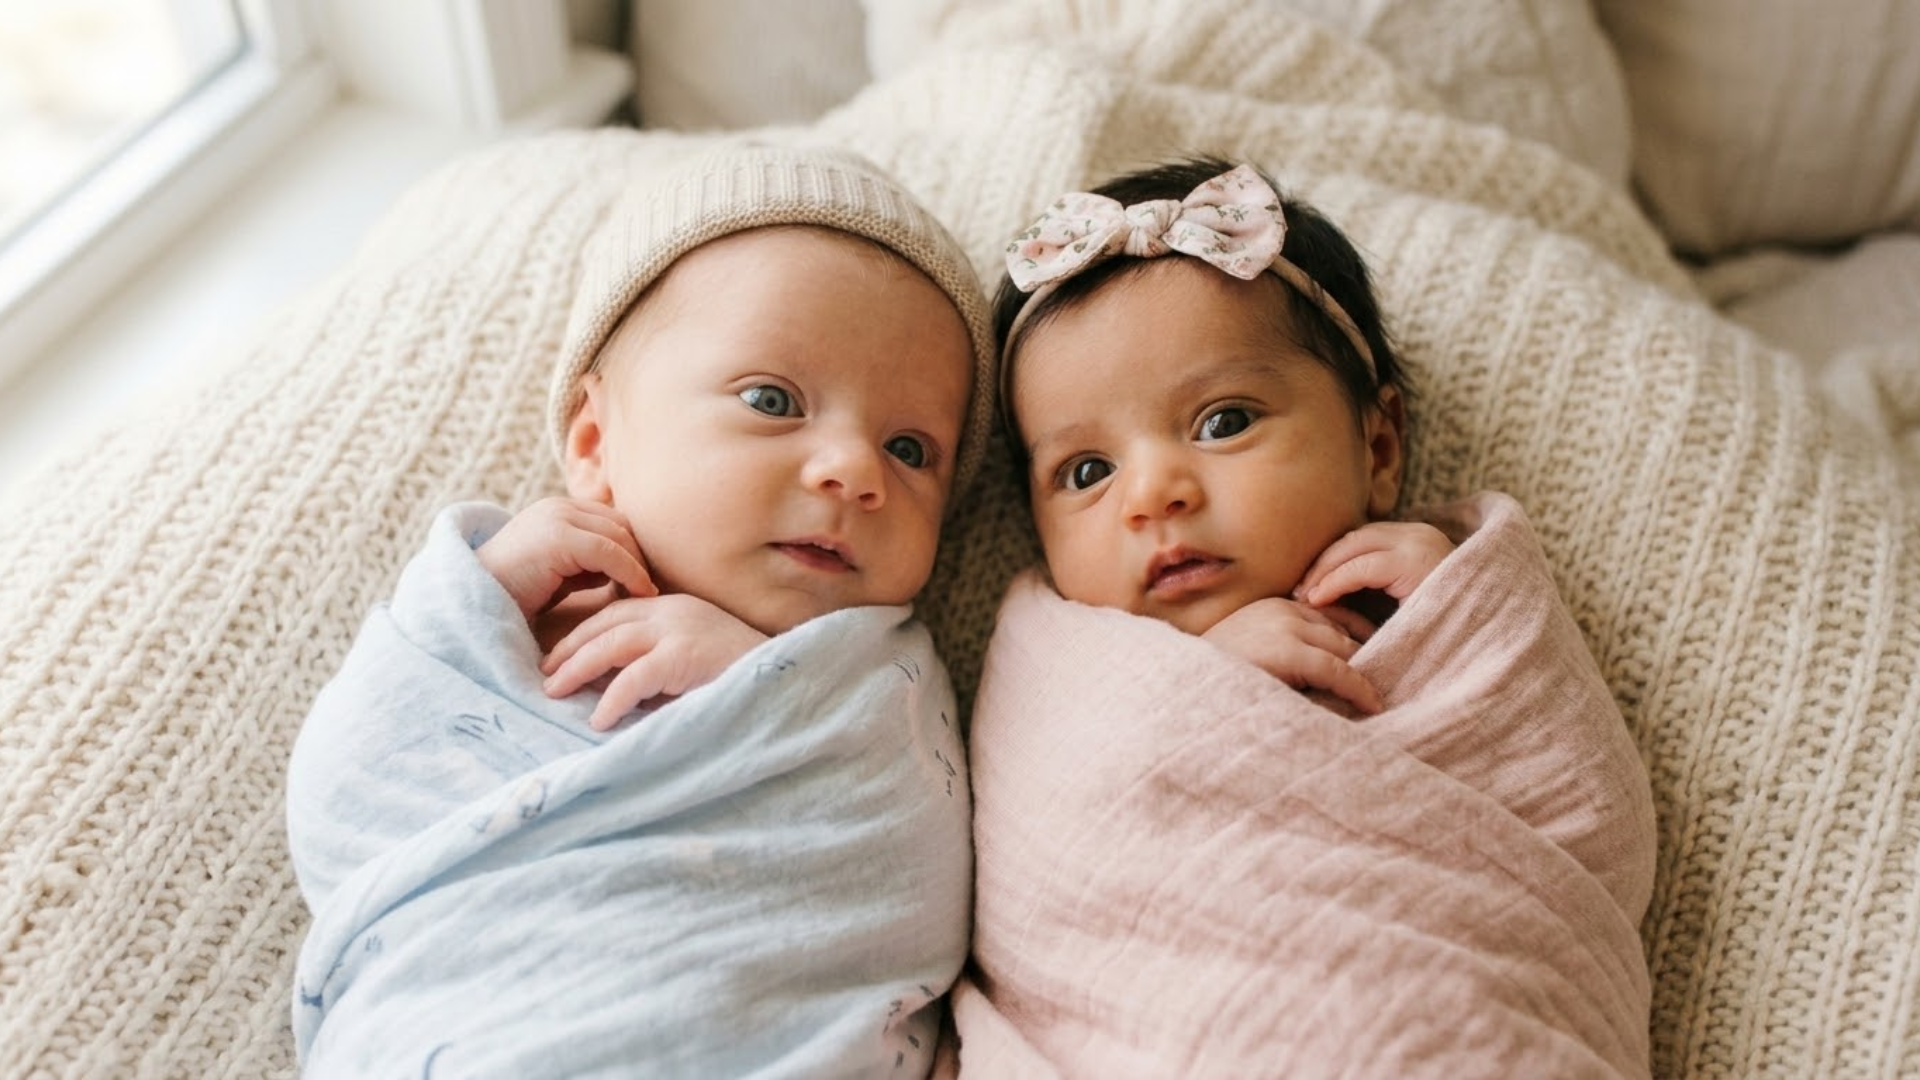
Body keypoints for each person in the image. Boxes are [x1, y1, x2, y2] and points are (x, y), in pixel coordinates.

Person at [284, 142, 997, 1078]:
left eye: (910, 448)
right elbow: (344, 812)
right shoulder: (505, 626)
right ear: (593, 440)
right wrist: (474, 600)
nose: (854, 471)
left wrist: (764, 685)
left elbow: (908, 876)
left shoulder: (877, 677)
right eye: (773, 400)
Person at [994, 155, 1447, 715]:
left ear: (1378, 452)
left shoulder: (1448, 583)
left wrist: (1461, 613)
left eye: (1223, 423)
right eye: (1088, 472)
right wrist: (1203, 685)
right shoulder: (1051, 662)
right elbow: (1065, 787)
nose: (1151, 496)